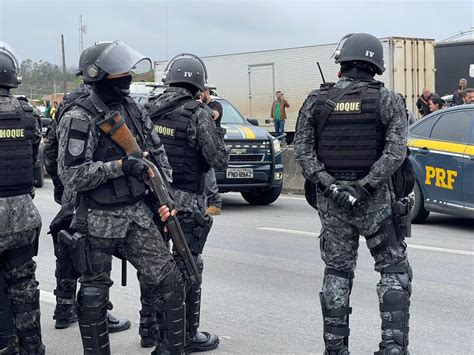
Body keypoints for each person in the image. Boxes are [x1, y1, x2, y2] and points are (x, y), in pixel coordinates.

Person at [57, 40, 186, 355]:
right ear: (100, 76)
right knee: (94, 293)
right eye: (119, 72)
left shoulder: (134, 109)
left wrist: (165, 200)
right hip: (97, 216)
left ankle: (169, 349)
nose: (126, 76)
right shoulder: (79, 116)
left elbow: (157, 156)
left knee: (170, 281)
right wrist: (120, 166)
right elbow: (72, 175)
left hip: (135, 212)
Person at [295, 33, 412, 355]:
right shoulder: (389, 100)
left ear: (341, 65)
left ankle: (335, 349)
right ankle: (393, 348)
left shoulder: (316, 100)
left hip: (331, 202)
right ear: (376, 66)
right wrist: (366, 186)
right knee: (392, 269)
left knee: (337, 271)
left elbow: (302, 151)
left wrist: (330, 185)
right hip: (375, 201)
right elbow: (396, 152)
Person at [44, 45, 130, 333]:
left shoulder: (68, 101)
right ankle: (97, 313)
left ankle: (63, 308)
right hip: (91, 188)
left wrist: (60, 187)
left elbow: (51, 148)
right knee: (91, 255)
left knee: (67, 247)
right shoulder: (95, 104)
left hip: (72, 186)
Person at [147, 53, 229, 353]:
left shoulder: (148, 108)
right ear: (198, 85)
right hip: (187, 200)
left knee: (155, 265)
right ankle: (186, 334)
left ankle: (151, 328)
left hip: (151, 199)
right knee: (190, 265)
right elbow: (218, 158)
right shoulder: (198, 113)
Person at [0, 41, 45, 354]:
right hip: (22, 216)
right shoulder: (28, 114)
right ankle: (30, 346)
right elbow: (33, 161)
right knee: (24, 286)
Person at [201, 86, 223, 216]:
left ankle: (215, 203)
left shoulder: (216, 105)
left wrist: (199, 105)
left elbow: (213, 115)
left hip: (212, 145)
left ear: (206, 92)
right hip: (201, 142)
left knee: (209, 174)